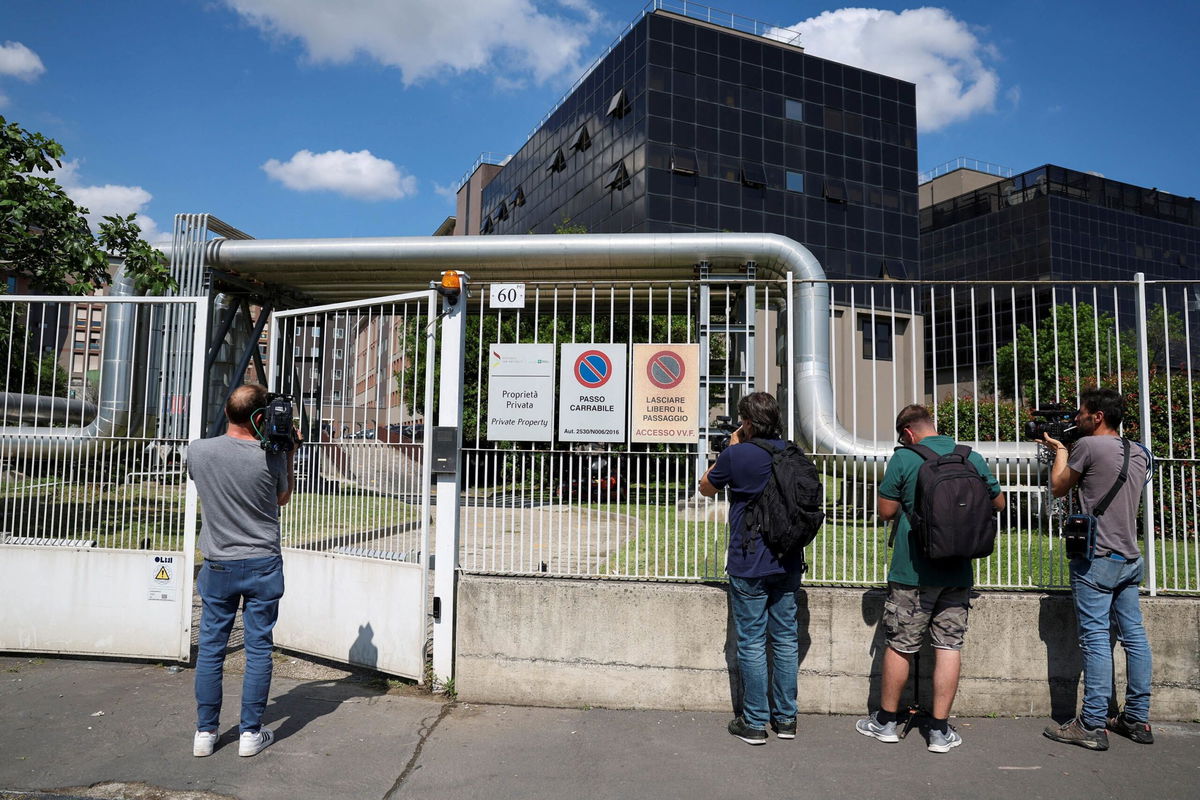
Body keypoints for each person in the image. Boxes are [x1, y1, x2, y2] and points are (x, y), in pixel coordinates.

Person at [856, 404, 1005, 753]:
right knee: (949, 646)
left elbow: (885, 511)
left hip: (913, 572)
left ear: (907, 433)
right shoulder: (971, 457)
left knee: (900, 645)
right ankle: (939, 732)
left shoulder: (905, 458)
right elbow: (997, 502)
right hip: (958, 570)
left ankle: (887, 723)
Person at [187, 383, 296, 758]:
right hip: (262, 563)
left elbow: (202, 479)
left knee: (212, 649)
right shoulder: (271, 457)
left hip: (218, 565)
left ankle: (205, 733)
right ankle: (250, 733)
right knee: (259, 648)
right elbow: (281, 498)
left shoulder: (198, 451)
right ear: (261, 418)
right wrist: (288, 454)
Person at [1041, 388, 1153, 750]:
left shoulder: (1088, 446)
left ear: (1097, 417)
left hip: (1098, 559)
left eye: (1082, 413)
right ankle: (1136, 718)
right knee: (1134, 637)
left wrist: (1060, 450)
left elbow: (1059, 487)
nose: (1077, 419)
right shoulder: (1140, 452)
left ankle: (1090, 724)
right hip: (1130, 560)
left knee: (1094, 639)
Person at [699, 392, 808, 745]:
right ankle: (787, 719)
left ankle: (755, 722)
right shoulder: (792, 452)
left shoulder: (737, 454)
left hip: (750, 560)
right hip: (788, 558)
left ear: (746, 421)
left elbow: (705, 488)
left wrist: (728, 447)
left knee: (751, 641)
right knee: (786, 639)